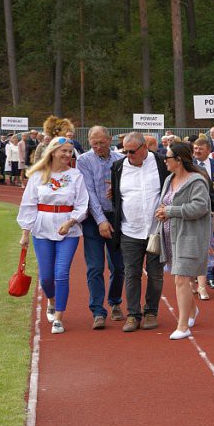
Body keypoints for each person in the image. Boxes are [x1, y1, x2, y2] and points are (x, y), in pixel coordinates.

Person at [17, 137, 89, 334]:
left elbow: (82, 204)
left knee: (62, 273)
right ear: (53, 152)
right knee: (47, 277)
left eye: (70, 151)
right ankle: (51, 301)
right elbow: (29, 205)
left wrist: (70, 222)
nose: (67, 155)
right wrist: (25, 232)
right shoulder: (38, 175)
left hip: (68, 229)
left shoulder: (76, 176)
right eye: (64, 151)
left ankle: (58, 317)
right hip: (42, 228)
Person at [111, 132, 169, 333]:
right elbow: (117, 198)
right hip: (130, 231)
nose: (128, 155)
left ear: (145, 148)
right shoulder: (118, 167)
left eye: (132, 151)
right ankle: (133, 315)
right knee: (131, 273)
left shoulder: (161, 163)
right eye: (125, 151)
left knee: (155, 274)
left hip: (156, 230)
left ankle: (151, 312)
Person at [155, 142, 212, 340]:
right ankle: (192, 311)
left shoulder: (196, 181)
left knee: (181, 278)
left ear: (178, 160)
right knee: (179, 277)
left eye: (168, 158)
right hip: (170, 236)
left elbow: (200, 207)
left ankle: (182, 326)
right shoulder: (169, 179)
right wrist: (161, 211)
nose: (165, 161)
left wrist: (170, 211)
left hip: (189, 237)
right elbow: (165, 202)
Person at [76, 126, 126, 329]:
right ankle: (97, 310)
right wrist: (100, 221)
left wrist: (117, 192)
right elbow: (88, 193)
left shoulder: (119, 159)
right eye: (93, 143)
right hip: (93, 219)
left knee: (119, 266)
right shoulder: (84, 161)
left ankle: (115, 301)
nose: (97, 146)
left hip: (116, 218)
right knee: (95, 267)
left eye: (101, 142)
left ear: (110, 139)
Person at [192, 137, 214, 291]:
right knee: (195, 245)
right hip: (194, 213)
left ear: (208, 151)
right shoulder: (189, 166)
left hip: (212, 213)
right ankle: (196, 275)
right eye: (195, 148)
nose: (197, 151)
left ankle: (211, 276)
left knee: (213, 244)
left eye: (200, 149)